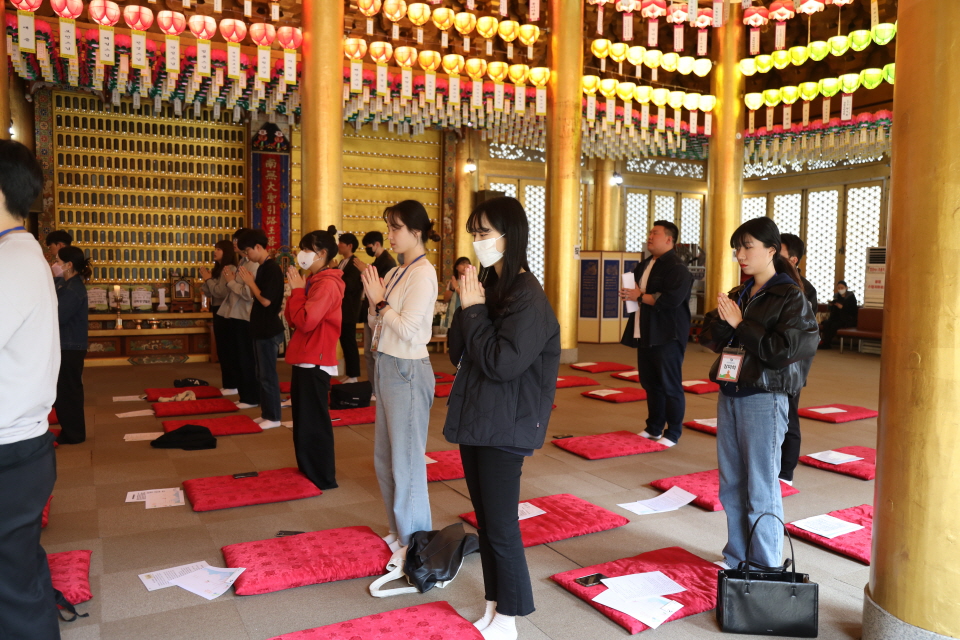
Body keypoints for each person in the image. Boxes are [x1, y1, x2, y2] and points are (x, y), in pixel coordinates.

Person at [443, 197, 560, 640]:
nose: (477, 242)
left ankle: (509, 618)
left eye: (484, 233)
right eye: (473, 233)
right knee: (487, 522)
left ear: (510, 237)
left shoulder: (527, 294)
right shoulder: (490, 284)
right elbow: (458, 353)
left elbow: (501, 363)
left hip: (506, 423)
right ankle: (494, 605)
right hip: (480, 416)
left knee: (501, 525)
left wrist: (474, 311)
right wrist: (465, 306)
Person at [700, 217, 819, 571]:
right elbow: (709, 337)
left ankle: (764, 564)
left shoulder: (790, 296)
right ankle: (737, 557)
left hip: (764, 397)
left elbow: (782, 351)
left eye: (747, 247)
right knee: (732, 482)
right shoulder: (741, 292)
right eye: (737, 248)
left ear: (771, 250)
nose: (740, 254)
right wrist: (724, 322)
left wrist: (741, 324)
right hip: (731, 391)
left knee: (761, 486)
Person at [0, 139, 61, 639]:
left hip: (12, 445)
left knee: (12, 587)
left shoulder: (13, 262)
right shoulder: (20, 255)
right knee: (17, 571)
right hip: (21, 440)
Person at [360, 200, 440, 551]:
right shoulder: (395, 272)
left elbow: (408, 329)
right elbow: (377, 321)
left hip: (408, 369)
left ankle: (415, 543)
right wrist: (374, 301)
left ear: (416, 232)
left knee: (407, 462)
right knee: (385, 459)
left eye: (396, 228)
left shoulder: (424, 273)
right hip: (387, 364)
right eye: (389, 228)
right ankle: (399, 531)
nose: (390, 235)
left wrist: (380, 303)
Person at [618, 221, 693, 447]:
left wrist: (639, 296)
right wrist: (630, 294)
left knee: (670, 385)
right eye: (650, 232)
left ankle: (673, 433)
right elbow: (638, 294)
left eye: (655, 233)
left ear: (669, 239)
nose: (650, 236)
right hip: (645, 331)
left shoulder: (677, 268)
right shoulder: (645, 264)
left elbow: (671, 299)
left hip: (668, 334)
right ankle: (653, 427)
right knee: (650, 383)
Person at [285, 228, 345, 490]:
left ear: (322, 253)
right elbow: (293, 319)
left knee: (314, 421)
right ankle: (309, 468)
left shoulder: (327, 283)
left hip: (315, 358)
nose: (302, 254)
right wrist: (296, 292)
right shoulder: (312, 280)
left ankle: (322, 475)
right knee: (303, 419)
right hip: (304, 355)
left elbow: (307, 321)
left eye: (307, 249)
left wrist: (298, 292)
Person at [778, 234, 818, 485]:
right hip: (769, 359)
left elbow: (800, 335)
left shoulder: (805, 289)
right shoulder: (767, 282)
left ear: (793, 259)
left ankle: (786, 473)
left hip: (792, 362)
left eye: (777, 251)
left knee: (788, 415)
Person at [237, 229, 285, 429]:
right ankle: (267, 413)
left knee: (268, 376)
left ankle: (273, 417)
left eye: (247, 251)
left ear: (258, 247)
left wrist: (250, 282)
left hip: (268, 329)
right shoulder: (263, 267)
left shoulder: (272, 268)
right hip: (260, 328)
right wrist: (250, 283)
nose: (247, 256)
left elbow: (265, 300)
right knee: (261, 374)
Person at [52, 246, 91, 445]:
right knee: (65, 391)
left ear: (68, 265)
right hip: (66, 345)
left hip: (70, 347)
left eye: (58, 261)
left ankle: (74, 434)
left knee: (68, 392)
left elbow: (58, 317)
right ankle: (71, 431)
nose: (55, 264)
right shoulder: (65, 284)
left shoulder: (73, 289)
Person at [221, 230, 260, 408]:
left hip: (246, 315)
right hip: (236, 314)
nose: (235, 243)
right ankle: (245, 395)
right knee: (239, 357)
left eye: (238, 240)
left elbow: (248, 293)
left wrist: (230, 282)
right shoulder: (243, 262)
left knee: (247, 358)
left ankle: (251, 397)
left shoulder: (253, 264)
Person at [355, 230, 397, 387]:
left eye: (368, 246)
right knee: (368, 352)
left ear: (377, 244)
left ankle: (378, 388)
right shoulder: (377, 261)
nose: (367, 249)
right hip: (370, 311)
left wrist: (365, 271)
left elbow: (381, 287)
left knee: (375, 352)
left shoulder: (388, 262)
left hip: (380, 312)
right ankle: (372, 385)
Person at [200, 240, 239, 395]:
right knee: (222, 349)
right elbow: (207, 292)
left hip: (226, 311)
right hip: (217, 309)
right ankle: (228, 383)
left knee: (227, 348)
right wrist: (207, 279)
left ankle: (232, 384)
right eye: (215, 249)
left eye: (219, 249)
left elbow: (220, 292)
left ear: (227, 251)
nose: (215, 252)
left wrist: (208, 280)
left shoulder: (229, 269)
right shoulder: (218, 269)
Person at [336, 231, 363, 384]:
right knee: (345, 343)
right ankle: (350, 373)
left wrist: (336, 272)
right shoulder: (343, 262)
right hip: (342, 309)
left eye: (341, 243)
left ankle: (354, 375)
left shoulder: (354, 263)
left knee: (350, 343)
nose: (338, 245)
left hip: (349, 309)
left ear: (350, 246)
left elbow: (350, 285)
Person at [818, 280, 859, 349]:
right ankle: (826, 342)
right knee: (827, 323)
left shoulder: (851, 297)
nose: (840, 289)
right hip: (836, 317)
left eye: (842, 288)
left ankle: (826, 343)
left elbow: (853, 310)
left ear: (846, 288)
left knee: (834, 325)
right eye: (839, 288)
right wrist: (831, 305)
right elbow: (833, 311)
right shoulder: (837, 296)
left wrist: (843, 307)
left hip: (847, 319)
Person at [442, 256, 472, 324]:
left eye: (467, 264)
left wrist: (456, 287)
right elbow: (445, 300)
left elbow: (466, 298)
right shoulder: (453, 282)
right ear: (456, 267)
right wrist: (452, 288)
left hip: (465, 316)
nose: (465, 266)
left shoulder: (471, 282)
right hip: (452, 315)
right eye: (462, 263)